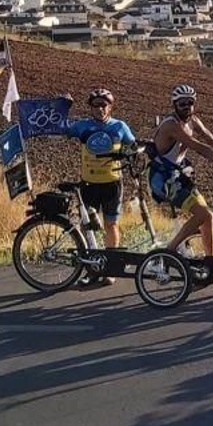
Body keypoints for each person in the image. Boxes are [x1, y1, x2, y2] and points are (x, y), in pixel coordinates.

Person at [150, 84, 213, 270]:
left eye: (190, 103)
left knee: (208, 216)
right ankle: (170, 252)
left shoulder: (193, 120)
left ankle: (210, 260)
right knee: (203, 213)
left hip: (177, 175)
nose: (187, 107)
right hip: (162, 178)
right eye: (182, 104)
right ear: (175, 105)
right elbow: (199, 147)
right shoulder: (171, 125)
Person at [65, 88, 138, 288]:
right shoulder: (83, 126)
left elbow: (133, 147)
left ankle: (111, 269)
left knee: (110, 225)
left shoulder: (119, 127)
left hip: (112, 183)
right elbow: (62, 128)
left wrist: (132, 152)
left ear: (110, 106)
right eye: (95, 105)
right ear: (90, 107)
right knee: (87, 226)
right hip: (89, 183)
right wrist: (63, 108)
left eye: (103, 105)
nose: (100, 109)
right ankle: (93, 268)